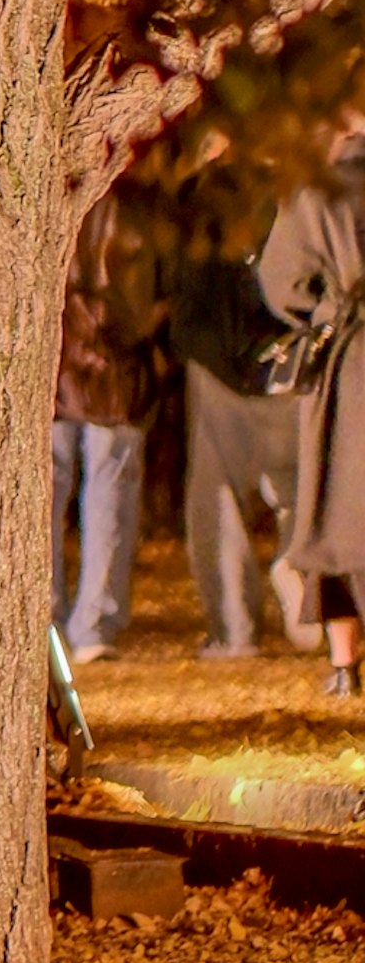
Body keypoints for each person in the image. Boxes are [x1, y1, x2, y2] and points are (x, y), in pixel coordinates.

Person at [174, 207, 308, 661]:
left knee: (218, 496)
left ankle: (234, 628)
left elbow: (186, 275)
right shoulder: (315, 189)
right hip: (295, 361)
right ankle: (302, 579)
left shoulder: (212, 193)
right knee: (301, 486)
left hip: (219, 360)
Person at [259, 158, 365, 701]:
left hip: (350, 362)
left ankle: (344, 663)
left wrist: (324, 308)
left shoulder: (314, 181)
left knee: (340, 507)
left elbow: (283, 284)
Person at [52, 191, 164, 662]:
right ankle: (95, 622)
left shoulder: (40, 203)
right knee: (109, 496)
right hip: (112, 371)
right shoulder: (131, 212)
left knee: (44, 496)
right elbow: (141, 304)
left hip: (52, 367)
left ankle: (46, 614)